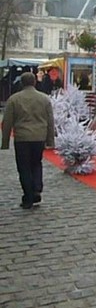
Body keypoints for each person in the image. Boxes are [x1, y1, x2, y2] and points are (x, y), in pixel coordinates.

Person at [1, 72, 55, 209]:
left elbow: (7, 122)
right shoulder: (44, 99)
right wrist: (50, 141)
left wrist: (5, 141)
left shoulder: (14, 99)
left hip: (22, 138)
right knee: (36, 164)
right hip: (39, 137)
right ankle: (36, 188)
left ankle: (28, 197)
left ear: (21, 83)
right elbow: (50, 121)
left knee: (24, 167)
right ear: (35, 82)